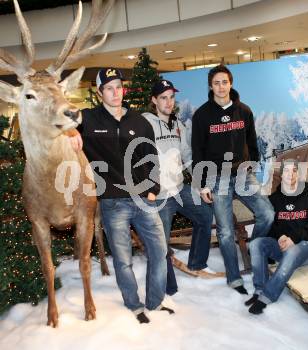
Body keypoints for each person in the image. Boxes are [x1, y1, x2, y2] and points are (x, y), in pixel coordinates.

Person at [69, 68, 172, 323]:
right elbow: (58, 116)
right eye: (109, 88)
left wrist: (152, 189)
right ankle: (134, 304)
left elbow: (152, 158)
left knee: (160, 252)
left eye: (119, 87)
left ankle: (155, 301)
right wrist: (71, 132)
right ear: (99, 91)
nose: (116, 93)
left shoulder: (139, 121)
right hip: (113, 202)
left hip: (143, 199)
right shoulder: (89, 119)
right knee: (123, 259)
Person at [191, 64, 274, 294]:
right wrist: (202, 182)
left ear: (231, 83)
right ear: (211, 86)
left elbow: (252, 143)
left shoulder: (244, 111)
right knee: (226, 232)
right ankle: (234, 277)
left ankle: (255, 250)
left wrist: (252, 165)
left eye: (224, 82)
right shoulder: (202, 115)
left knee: (267, 214)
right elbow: (197, 151)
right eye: (216, 83)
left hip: (243, 175)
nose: (221, 87)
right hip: (217, 179)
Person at [142, 79, 215, 295]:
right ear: (154, 100)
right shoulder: (145, 124)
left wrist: (201, 185)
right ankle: (166, 287)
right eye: (163, 97)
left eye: (171, 97)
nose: (168, 102)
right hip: (159, 196)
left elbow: (188, 157)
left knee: (205, 214)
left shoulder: (178, 126)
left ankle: (197, 262)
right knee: (160, 243)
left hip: (179, 190)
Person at [246, 161, 308, 314]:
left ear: (299, 174)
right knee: (256, 244)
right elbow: (271, 226)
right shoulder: (274, 199)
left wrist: (293, 238)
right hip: (284, 247)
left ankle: (268, 296)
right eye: (287, 171)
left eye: (295, 171)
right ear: (281, 175)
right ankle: (259, 290)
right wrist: (280, 237)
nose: (291, 175)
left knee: (293, 251)